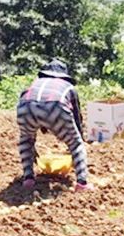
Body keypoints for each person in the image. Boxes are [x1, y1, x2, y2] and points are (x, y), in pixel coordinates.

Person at [17, 59, 92, 192]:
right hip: (56, 106)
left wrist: (37, 129)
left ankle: (28, 178)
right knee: (76, 143)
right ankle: (82, 183)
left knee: (25, 140)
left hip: (25, 106)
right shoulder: (68, 87)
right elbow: (76, 116)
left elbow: (33, 102)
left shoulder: (35, 83)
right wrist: (78, 138)